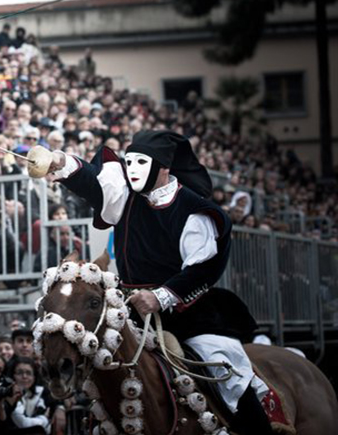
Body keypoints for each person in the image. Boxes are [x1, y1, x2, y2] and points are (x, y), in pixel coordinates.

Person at [46, 129, 271, 434]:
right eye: (130, 162)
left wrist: (162, 296)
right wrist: (61, 161)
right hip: (131, 310)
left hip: (188, 313)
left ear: (164, 168)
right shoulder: (127, 196)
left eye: (141, 162)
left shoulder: (194, 211)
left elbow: (204, 268)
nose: (132, 170)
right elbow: (93, 185)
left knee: (227, 374)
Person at [6, 357, 50, 434]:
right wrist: (44, 419)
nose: (24, 377)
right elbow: (23, 423)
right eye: (20, 373)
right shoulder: (9, 395)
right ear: (13, 376)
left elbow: (48, 429)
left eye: (29, 373)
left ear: (34, 377)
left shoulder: (41, 392)